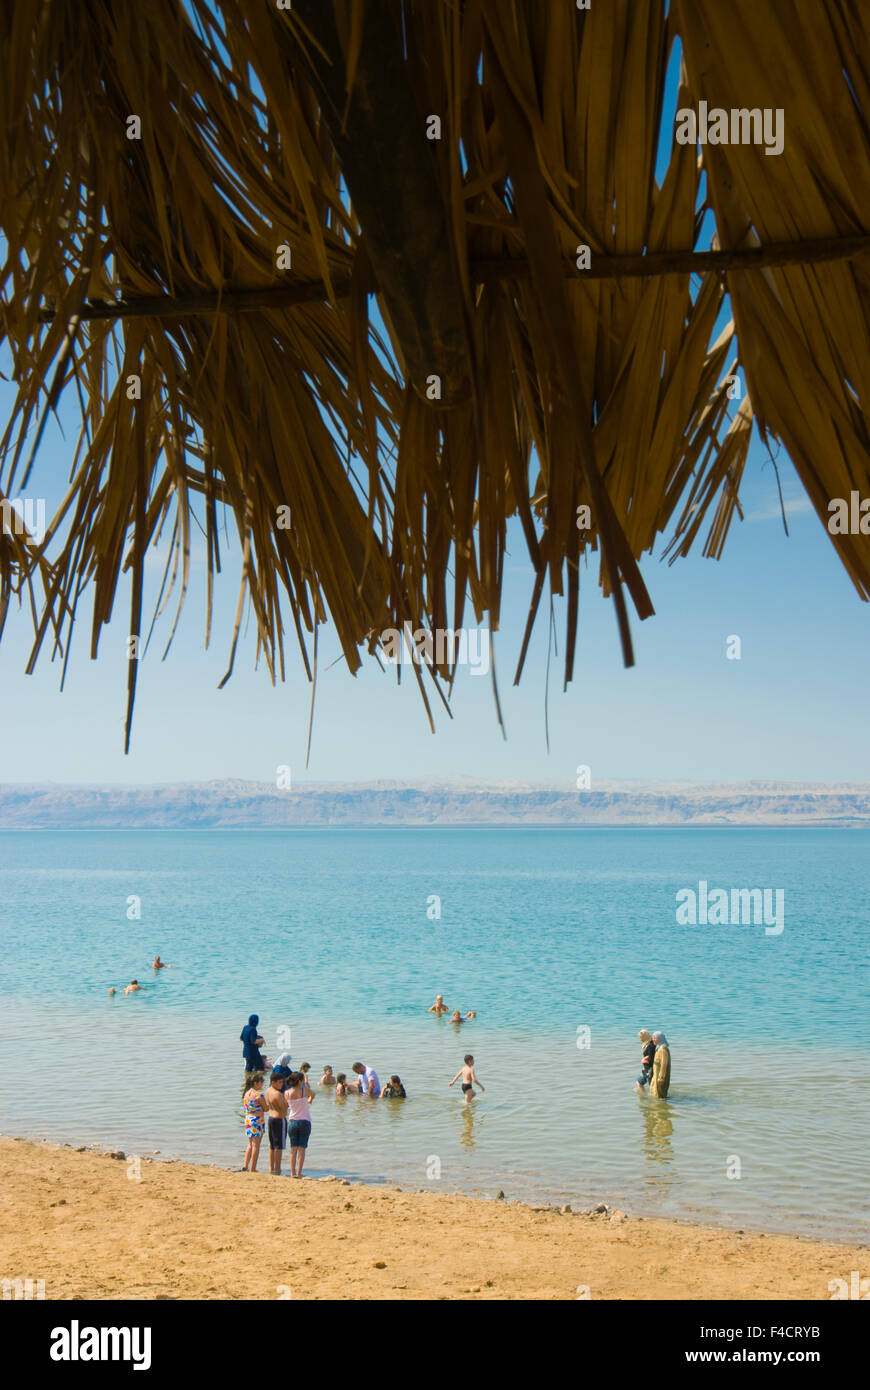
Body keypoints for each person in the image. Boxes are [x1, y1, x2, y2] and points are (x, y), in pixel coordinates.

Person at [286, 1070, 314, 1177]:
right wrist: (309, 1100)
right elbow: (313, 1094)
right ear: (300, 1081)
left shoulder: (287, 1093)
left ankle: (292, 1173)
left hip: (292, 1121)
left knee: (293, 1149)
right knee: (302, 1149)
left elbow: (286, 1105)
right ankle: (299, 1173)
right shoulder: (304, 1091)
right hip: (304, 1121)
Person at [264, 1072, 289, 1175]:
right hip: (279, 1119)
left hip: (271, 1118)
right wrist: (285, 1101)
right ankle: (277, 1168)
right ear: (273, 1082)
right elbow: (284, 1107)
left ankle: (271, 1167)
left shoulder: (268, 1090)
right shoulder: (277, 1094)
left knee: (272, 1145)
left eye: (282, 1082)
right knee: (279, 1146)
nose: (281, 1084)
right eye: (279, 1082)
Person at [242, 1073, 267, 1171]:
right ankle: (253, 1168)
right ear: (256, 1083)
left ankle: (246, 1165)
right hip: (257, 1120)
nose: (262, 1084)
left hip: (248, 1119)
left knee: (250, 1144)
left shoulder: (246, 1093)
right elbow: (265, 1108)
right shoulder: (258, 1095)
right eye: (261, 1082)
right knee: (256, 1145)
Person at [649, 1031, 671, 1098]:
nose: (653, 1039)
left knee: (660, 1095)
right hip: (656, 1075)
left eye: (654, 1038)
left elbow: (664, 1064)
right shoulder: (659, 1048)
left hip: (660, 1076)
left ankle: (661, 1106)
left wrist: (661, 1077)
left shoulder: (663, 1049)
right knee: (655, 1092)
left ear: (659, 1038)